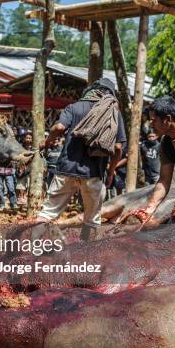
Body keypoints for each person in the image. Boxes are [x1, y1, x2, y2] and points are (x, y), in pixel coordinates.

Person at [36, 78, 125, 240]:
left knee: (48, 212)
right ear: (111, 94)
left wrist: (47, 142)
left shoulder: (75, 107)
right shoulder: (114, 112)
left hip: (66, 169)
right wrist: (111, 171)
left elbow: (59, 127)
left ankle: (29, 249)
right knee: (92, 219)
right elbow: (118, 148)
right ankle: (86, 254)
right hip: (94, 173)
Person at [140, 96, 175, 222]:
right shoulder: (166, 143)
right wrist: (151, 207)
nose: (151, 125)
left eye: (154, 120)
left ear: (167, 119)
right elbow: (163, 180)